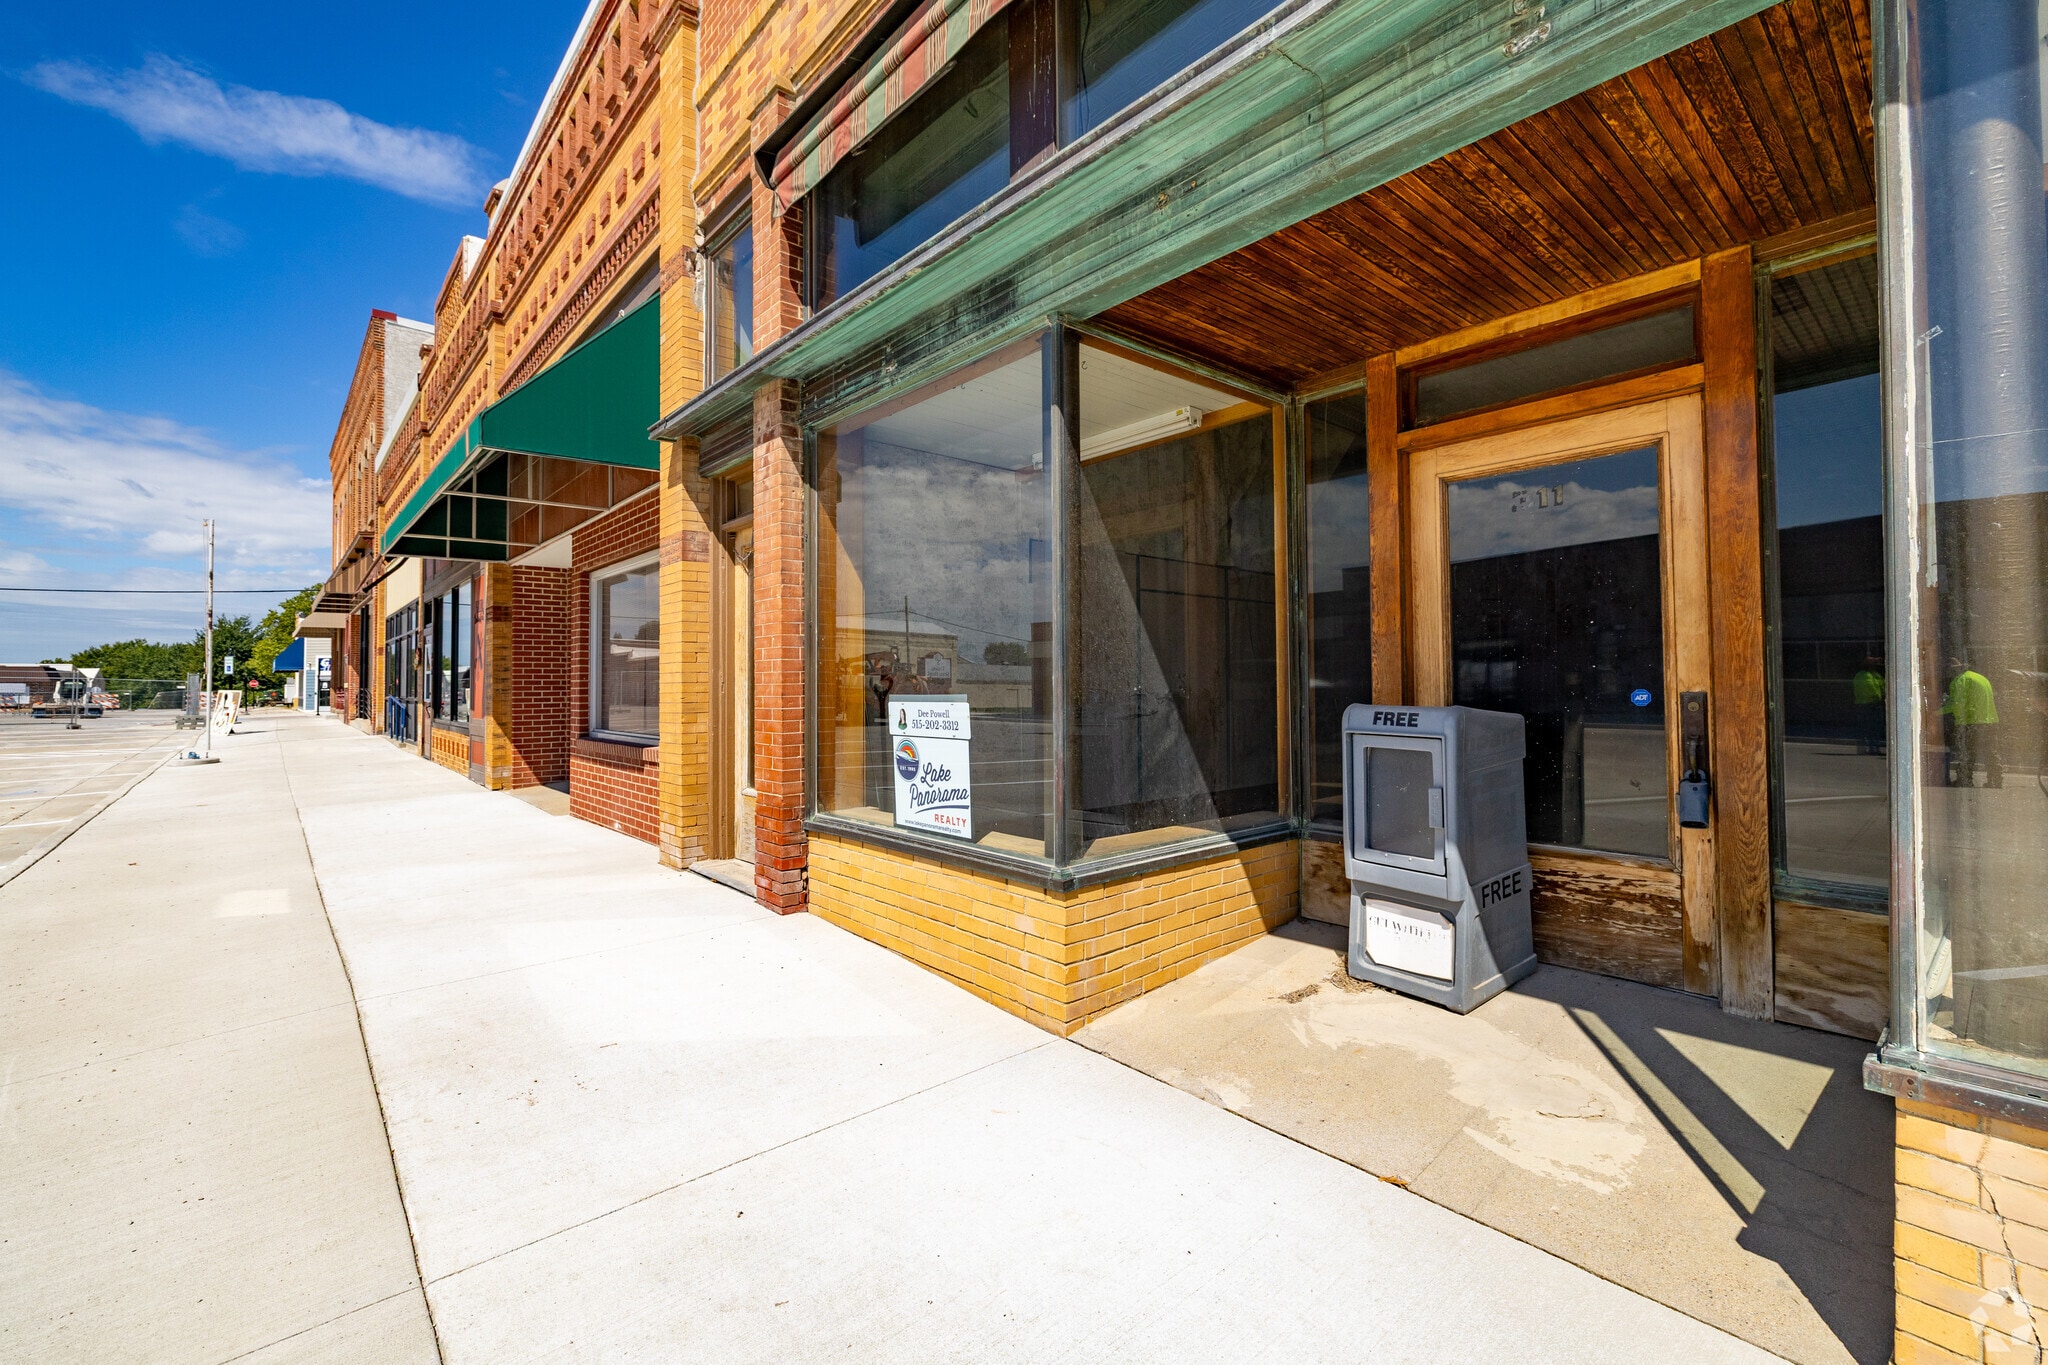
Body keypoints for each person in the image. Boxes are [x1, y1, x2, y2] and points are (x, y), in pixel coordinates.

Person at [1944, 656, 2001, 788]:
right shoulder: (1981, 678)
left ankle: (1965, 779)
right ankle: (1995, 780)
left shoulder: (1960, 681)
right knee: (1991, 753)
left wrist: (1935, 712)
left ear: (1953, 671)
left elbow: (1957, 704)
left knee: (1968, 752)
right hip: (1990, 720)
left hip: (1971, 721)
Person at [1851, 654, 1886, 755]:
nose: (1876, 665)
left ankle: (1868, 747)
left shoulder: (1871, 675)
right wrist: (1880, 697)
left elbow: (1882, 685)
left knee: (1868, 727)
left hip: (1864, 704)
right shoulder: (1866, 675)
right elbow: (1873, 689)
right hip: (1869, 704)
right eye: (1874, 663)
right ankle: (1872, 748)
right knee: (1872, 727)